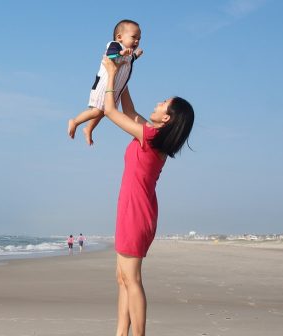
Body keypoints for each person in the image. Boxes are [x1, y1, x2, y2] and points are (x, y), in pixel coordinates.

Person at [101, 55, 194, 336]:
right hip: (131, 208)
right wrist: (124, 71)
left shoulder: (151, 137)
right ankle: (121, 333)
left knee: (132, 278)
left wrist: (109, 74)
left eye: (163, 103)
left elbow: (110, 110)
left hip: (136, 212)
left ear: (167, 117)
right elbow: (127, 107)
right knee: (122, 278)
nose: (158, 102)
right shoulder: (152, 133)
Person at [68, 19, 143, 146]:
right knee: (97, 111)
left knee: (103, 112)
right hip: (104, 85)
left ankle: (89, 128)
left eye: (139, 38)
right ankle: (75, 121)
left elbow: (129, 60)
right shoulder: (115, 45)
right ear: (119, 37)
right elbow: (111, 55)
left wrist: (136, 55)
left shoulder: (128, 52)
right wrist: (121, 53)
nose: (137, 41)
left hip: (115, 87)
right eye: (134, 37)